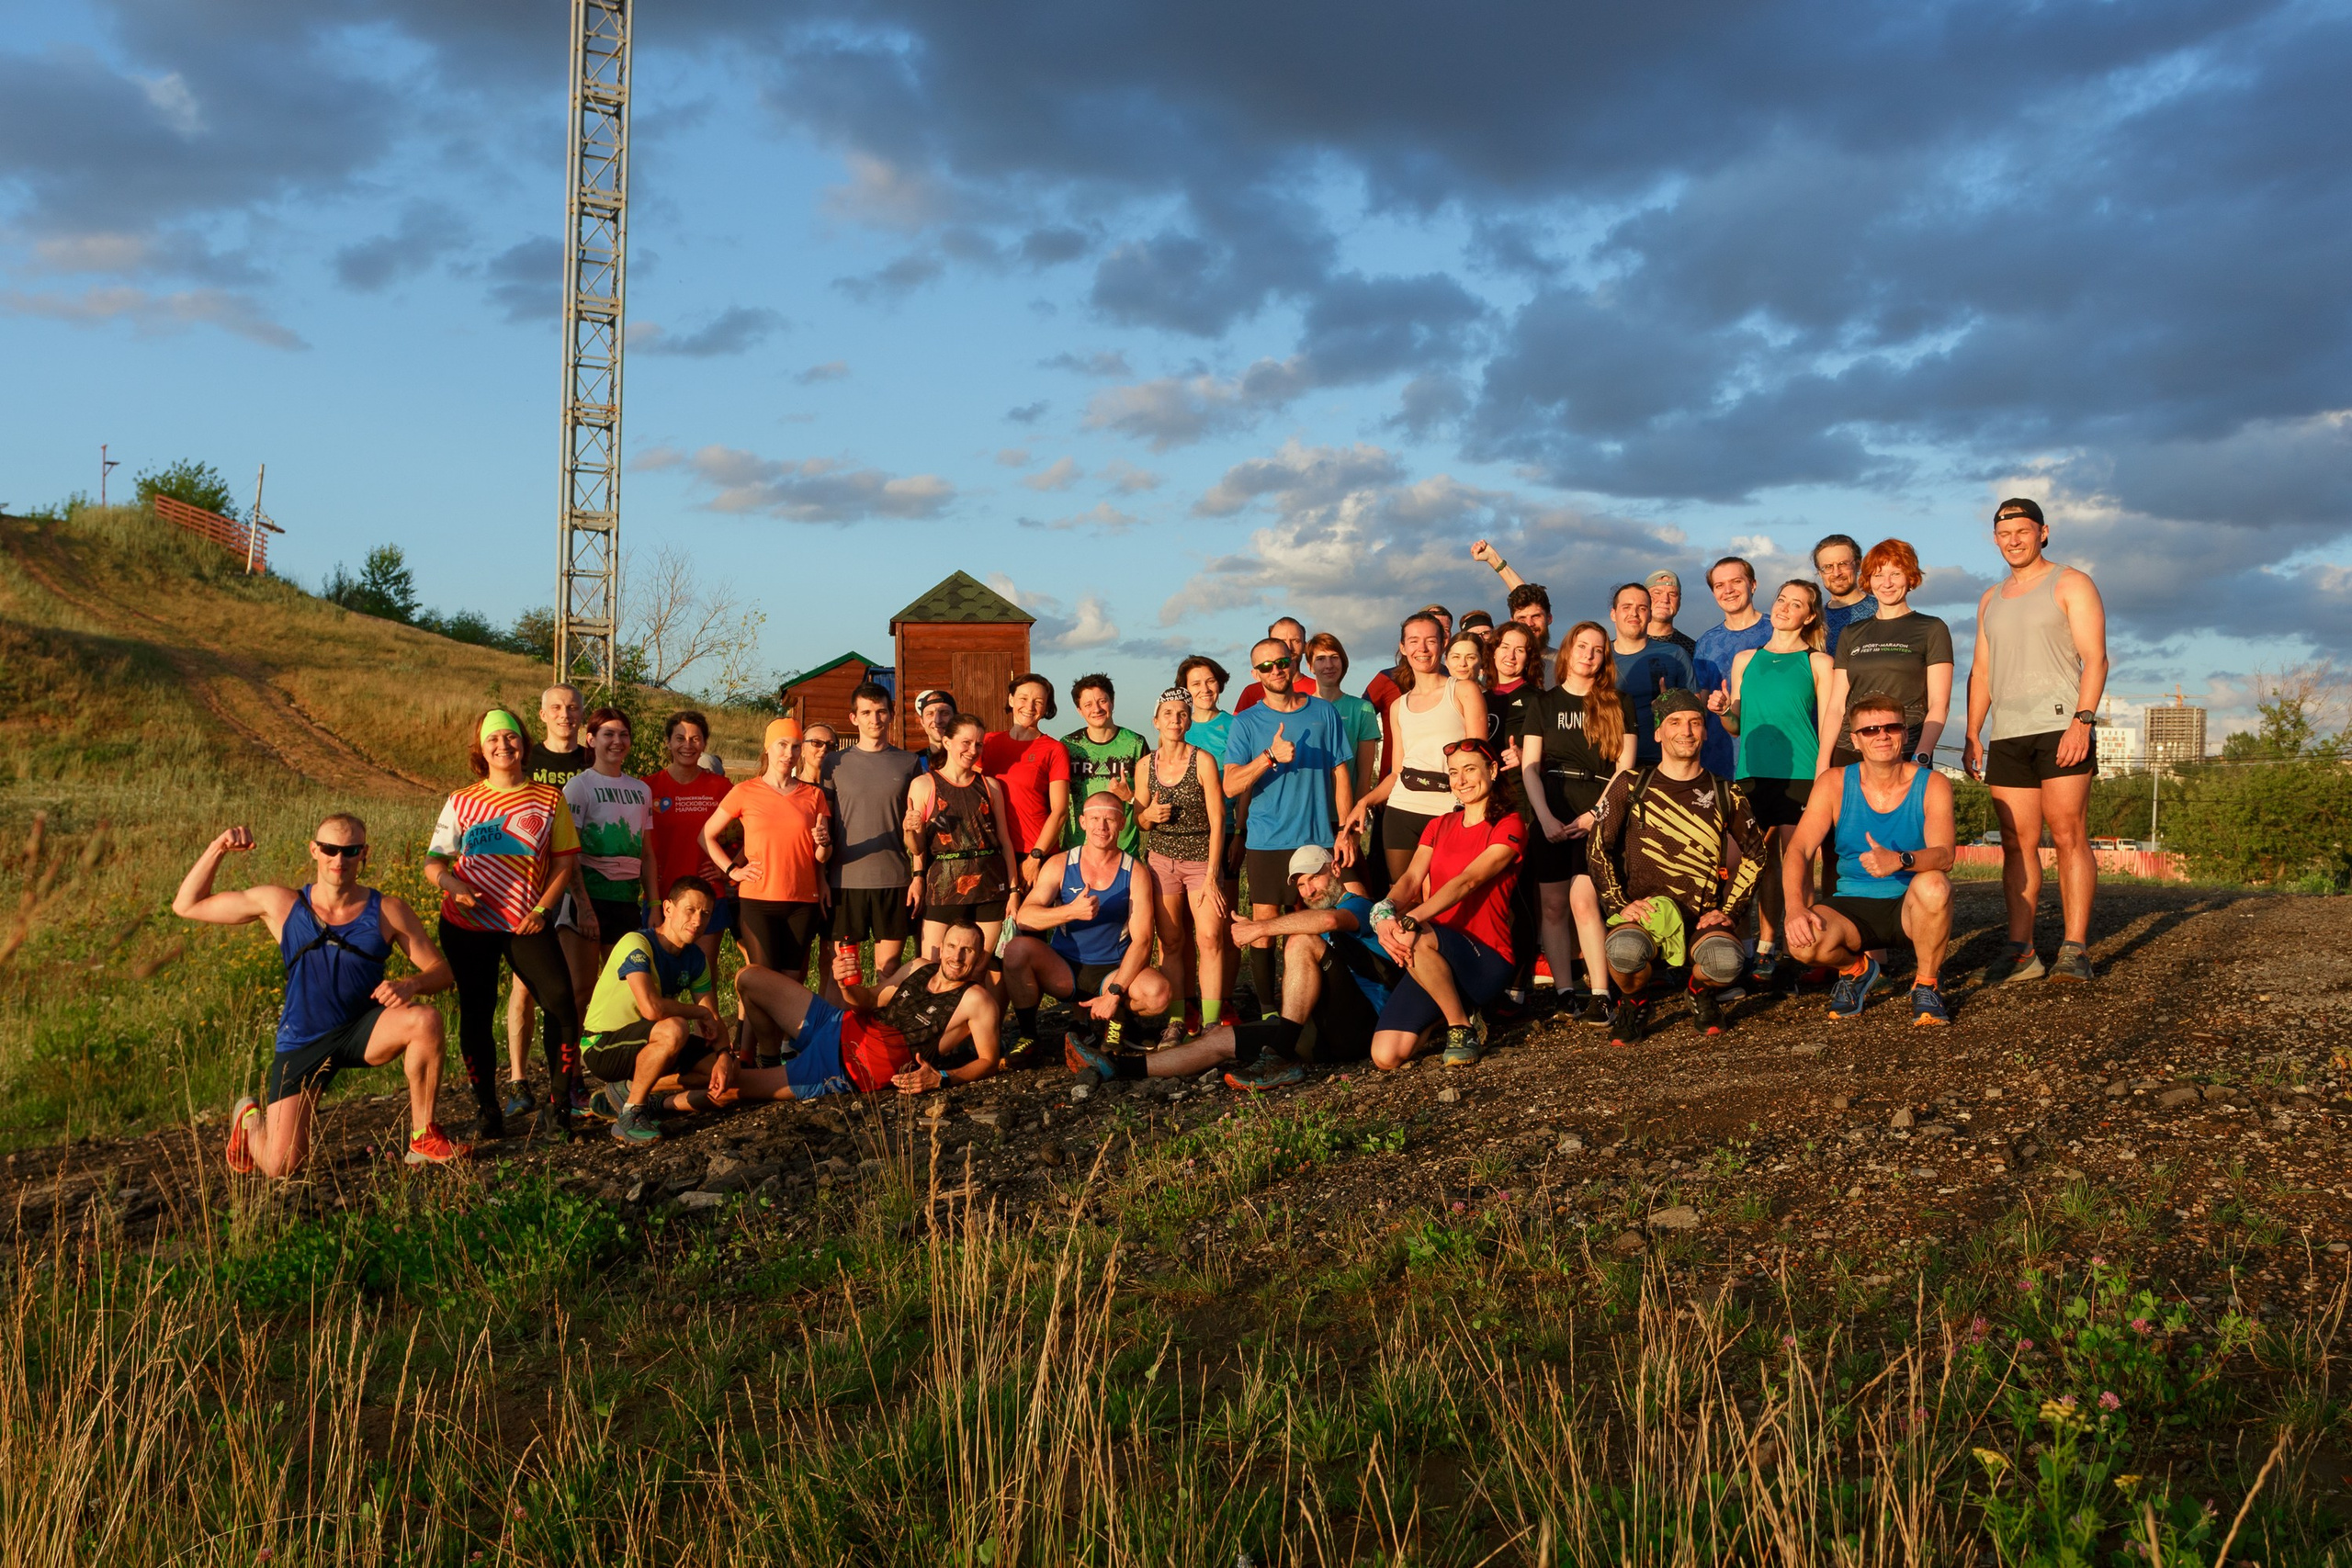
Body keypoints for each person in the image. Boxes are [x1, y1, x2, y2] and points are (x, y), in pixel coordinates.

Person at [174, 818, 466, 1174]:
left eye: (350, 851)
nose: (338, 860)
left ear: (364, 855)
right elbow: (186, 905)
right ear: (314, 850)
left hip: (364, 1029)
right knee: (283, 1165)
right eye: (329, 849)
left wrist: (411, 985)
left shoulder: (388, 911)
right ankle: (249, 1123)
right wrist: (219, 846)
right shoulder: (281, 904)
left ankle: (424, 1137)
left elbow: (443, 972)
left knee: (425, 1020)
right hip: (303, 1041)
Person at [1063, 844, 1401, 1090]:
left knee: (1301, 940)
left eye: (1316, 878)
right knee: (1221, 1038)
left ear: (1336, 871)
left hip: (1364, 1028)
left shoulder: (1359, 905)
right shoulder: (1311, 914)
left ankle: (1279, 1056)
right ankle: (1117, 1067)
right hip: (1318, 1035)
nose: (1309, 889)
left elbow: (1329, 918)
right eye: (1300, 884)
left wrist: (1260, 928)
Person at [1964, 497, 2109, 985]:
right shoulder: (1989, 598)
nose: (2013, 540)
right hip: (2007, 732)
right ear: (1995, 539)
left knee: (2068, 833)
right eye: (2004, 534)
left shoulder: (2071, 583)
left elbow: (2096, 659)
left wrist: (2082, 722)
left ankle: (2075, 947)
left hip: (2061, 727)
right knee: (2014, 842)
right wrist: (1972, 733)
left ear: (2042, 533)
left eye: (2022, 531)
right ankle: (2022, 951)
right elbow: (1981, 670)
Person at [424, 708, 584, 1139]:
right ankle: (487, 1111)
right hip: (467, 923)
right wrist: (452, 884)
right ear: (481, 749)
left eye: (510, 738)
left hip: (526, 922)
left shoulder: (550, 799)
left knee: (561, 1007)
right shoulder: (462, 800)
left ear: (523, 744)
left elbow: (565, 864)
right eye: (493, 739)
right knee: (477, 1014)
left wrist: (543, 911)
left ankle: (558, 1109)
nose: (503, 746)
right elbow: (434, 862)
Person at [1588, 691, 1769, 1045]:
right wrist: (1618, 904)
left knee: (1726, 962)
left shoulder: (1724, 791)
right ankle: (1635, 1001)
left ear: (1705, 732)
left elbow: (1756, 854)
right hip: (1646, 915)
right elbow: (1598, 847)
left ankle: (1699, 992)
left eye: (1695, 723)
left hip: (1702, 916)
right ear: (1658, 733)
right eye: (1674, 723)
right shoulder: (1630, 784)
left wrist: (1730, 912)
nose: (1685, 731)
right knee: (1623, 953)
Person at [1781, 689, 1958, 1023]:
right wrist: (1794, 908)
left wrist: (1900, 860)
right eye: (1870, 730)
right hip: (1852, 905)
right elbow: (1798, 849)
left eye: (1891, 728)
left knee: (1935, 885)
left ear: (1905, 734)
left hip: (1909, 904)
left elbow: (1945, 856)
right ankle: (1857, 970)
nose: (1882, 736)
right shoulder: (1834, 783)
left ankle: (1927, 984)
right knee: (1802, 944)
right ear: (1855, 740)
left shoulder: (1933, 784)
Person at [1364, 739, 1525, 1067]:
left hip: (1485, 955)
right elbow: (1409, 880)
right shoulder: (1438, 825)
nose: (1461, 780)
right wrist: (1383, 912)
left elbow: (1469, 880)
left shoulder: (1509, 824)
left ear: (1492, 770)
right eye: (1454, 773)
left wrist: (1410, 920)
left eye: (1470, 770)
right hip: (1431, 953)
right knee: (1385, 1055)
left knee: (1412, 935)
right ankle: (1458, 1009)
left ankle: (1460, 1028)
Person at [1225, 637, 1355, 1017]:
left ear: (1293, 662)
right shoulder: (1246, 722)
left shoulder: (1323, 712)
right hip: (1267, 839)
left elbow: (1341, 774)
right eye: (1265, 666)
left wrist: (1345, 829)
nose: (1276, 670)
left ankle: (1316, 1005)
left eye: (1281, 662)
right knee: (1264, 923)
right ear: (1255, 674)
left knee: (1315, 922)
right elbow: (1231, 785)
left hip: (1316, 837)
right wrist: (1269, 757)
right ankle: (1269, 1011)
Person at [1713, 581, 1834, 985]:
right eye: (1782, 600)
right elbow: (1735, 726)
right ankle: (1765, 947)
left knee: (1798, 865)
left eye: (1795, 604)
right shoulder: (1746, 659)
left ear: (1809, 616)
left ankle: (1805, 948)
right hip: (1751, 775)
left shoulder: (1819, 663)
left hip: (1801, 773)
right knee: (1753, 864)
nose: (1784, 608)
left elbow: (1830, 722)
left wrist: (1823, 772)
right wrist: (1719, 712)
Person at [735, 920, 1005, 1098]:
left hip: (844, 1067)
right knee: (749, 977)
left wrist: (942, 1077)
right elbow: (868, 1001)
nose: (956, 957)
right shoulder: (921, 966)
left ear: (979, 957)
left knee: (733, 1088)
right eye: (952, 946)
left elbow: (988, 1062)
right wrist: (844, 986)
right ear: (942, 947)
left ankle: (701, 1090)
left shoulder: (977, 1000)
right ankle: (768, 1060)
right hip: (836, 1023)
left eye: (967, 950)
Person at [1521, 621, 1637, 1023]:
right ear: (1568, 651)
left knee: (1584, 900)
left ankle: (1601, 992)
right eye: (1582, 646)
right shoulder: (1543, 702)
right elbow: (1530, 768)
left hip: (1599, 808)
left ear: (1605, 657)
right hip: (1551, 808)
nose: (1589, 654)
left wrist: (1596, 815)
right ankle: (1564, 989)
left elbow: (1625, 769)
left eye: (1598, 649)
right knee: (1553, 907)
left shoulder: (1618, 702)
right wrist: (1546, 818)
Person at [1001, 791, 1175, 1055]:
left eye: (1109, 819)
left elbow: (1143, 941)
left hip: (1112, 971)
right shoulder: (1060, 864)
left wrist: (1115, 992)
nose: (1101, 826)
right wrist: (1071, 912)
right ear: (1082, 822)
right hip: (1065, 969)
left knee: (1159, 993)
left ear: (1122, 824)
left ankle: (1118, 1021)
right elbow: (1024, 917)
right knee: (1015, 950)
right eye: (1094, 818)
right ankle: (1028, 1035)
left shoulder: (1135, 872)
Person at [580, 874, 731, 1145]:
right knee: (675, 1027)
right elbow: (651, 1009)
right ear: (668, 908)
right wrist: (698, 1014)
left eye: (705, 913)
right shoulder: (637, 944)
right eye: (691, 910)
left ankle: (640, 1096)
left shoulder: (695, 958)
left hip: (650, 1039)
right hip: (602, 1044)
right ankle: (631, 1115)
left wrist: (723, 1055)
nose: (698, 921)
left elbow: (713, 1016)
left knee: (724, 1072)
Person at [504, 682, 592, 1121]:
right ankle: (519, 1080)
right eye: (556, 707)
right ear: (542, 715)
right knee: (524, 985)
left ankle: (569, 1078)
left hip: (579, 883)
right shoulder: (527, 760)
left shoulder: (591, 759)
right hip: (528, 888)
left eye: (573, 707)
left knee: (573, 988)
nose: (565, 714)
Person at [701, 716, 833, 1004]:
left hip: (802, 901)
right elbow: (706, 836)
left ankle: (784, 1045)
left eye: (795, 746)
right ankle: (754, 1048)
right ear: (768, 748)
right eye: (782, 745)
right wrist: (732, 870)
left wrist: (824, 843)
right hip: (759, 899)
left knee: (792, 980)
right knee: (762, 979)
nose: (789, 753)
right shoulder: (745, 791)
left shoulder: (814, 795)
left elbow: (821, 856)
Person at [1348, 612, 1486, 886]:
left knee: (1445, 898)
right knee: (1402, 898)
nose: (1421, 649)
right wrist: (1363, 802)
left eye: (1430, 641)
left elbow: (1479, 761)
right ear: (1402, 647)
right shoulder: (1399, 706)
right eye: (1413, 641)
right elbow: (1397, 772)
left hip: (1450, 808)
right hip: (1401, 810)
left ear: (1443, 644)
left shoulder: (1463, 691)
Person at [1135, 687, 1228, 1044]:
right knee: (1172, 941)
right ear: (1156, 720)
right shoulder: (1145, 765)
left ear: (1189, 721)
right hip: (1161, 862)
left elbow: (1218, 820)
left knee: (1209, 938)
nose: (1175, 720)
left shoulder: (1202, 760)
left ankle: (1211, 1022)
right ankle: (1175, 1021)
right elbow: (1140, 819)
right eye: (1168, 714)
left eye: (1182, 714)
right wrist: (1148, 815)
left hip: (1201, 859)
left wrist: (1212, 876)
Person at [1818, 539, 1953, 774]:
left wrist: (1922, 756)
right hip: (1850, 751)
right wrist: (1822, 763)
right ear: (1869, 580)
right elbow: (1836, 707)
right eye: (1879, 575)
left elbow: (1939, 704)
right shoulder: (1851, 633)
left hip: (1905, 750)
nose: (1887, 583)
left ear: (1910, 578)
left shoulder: (1931, 628)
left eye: (1896, 574)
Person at [824, 682, 924, 993]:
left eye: (881, 712)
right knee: (843, 973)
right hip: (844, 881)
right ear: (853, 718)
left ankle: (882, 1036)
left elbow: (917, 826)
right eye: (866, 712)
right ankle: (839, 1037)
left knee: (889, 969)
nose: (874, 719)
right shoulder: (833, 763)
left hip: (893, 879)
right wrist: (820, 878)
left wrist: (918, 875)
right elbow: (822, 827)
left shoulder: (909, 763)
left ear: (892, 714)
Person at [562, 706, 658, 1019]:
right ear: (590, 740)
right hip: (587, 899)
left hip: (626, 901)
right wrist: (584, 908)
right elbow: (569, 852)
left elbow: (647, 854)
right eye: (608, 734)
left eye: (623, 734)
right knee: (581, 990)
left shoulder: (642, 790)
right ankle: (569, 1064)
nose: (617, 741)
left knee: (626, 990)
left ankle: (612, 1060)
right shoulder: (579, 786)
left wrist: (654, 904)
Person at [904, 713, 1022, 961]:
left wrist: (1013, 891)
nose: (973, 750)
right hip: (943, 885)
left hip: (991, 886)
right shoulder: (924, 784)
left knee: (981, 966)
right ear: (947, 742)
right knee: (933, 965)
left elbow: (1004, 840)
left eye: (978, 744)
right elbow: (916, 848)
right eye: (966, 743)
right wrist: (909, 832)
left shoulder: (990, 785)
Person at [646, 710, 735, 981]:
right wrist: (652, 900)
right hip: (664, 897)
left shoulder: (721, 787)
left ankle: (707, 1023)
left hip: (710, 896)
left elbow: (745, 836)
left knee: (704, 971)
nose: (688, 745)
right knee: (658, 973)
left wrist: (727, 870)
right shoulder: (648, 787)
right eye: (680, 738)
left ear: (705, 744)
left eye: (696, 739)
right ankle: (664, 1024)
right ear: (669, 743)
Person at [981, 672, 1072, 892]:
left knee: (1031, 923)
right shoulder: (988, 742)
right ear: (1011, 700)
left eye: (1038, 701)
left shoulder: (1054, 749)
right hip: (994, 850)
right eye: (1023, 698)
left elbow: (1060, 812)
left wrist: (1036, 856)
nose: (1029, 706)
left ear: (1046, 708)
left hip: (1034, 852)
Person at [1692, 557, 1771, 780]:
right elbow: (1702, 703)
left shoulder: (1779, 631)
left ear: (1753, 585)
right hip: (1721, 758)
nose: (1728, 590)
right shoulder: (1707, 643)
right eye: (1719, 585)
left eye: (1736, 581)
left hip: (1773, 751)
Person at [1610, 582, 1696, 767]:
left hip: (1660, 763)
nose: (1634, 613)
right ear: (1613, 614)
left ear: (1649, 615)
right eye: (1627, 607)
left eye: (1642, 608)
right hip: (1607, 761)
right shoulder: (1598, 656)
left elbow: (1695, 712)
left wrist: (1669, 705)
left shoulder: (1675, 655)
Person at [1061, 673, 1149, 852]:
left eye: (1102, 701)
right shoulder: (1068, 745)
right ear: (1079, 710)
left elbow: (1150, 801)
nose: (1096, 709)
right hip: (1078, 851)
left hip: (1123, 850)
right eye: (1088, 705)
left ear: (1112, 701)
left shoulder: (1136, 744)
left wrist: (1130, 796)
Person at [1305, 632, 1383, 799]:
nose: (1329, 665)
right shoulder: (1300, 708)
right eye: (1320, 659)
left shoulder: (1362, 709)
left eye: (1334, 657)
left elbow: (1364, 775)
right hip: (1309, 812)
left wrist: (1357, 811)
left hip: (1345, 813)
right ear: (1310, 666)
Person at [1813, 534, 1882, 654]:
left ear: (1858, 565)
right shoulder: (1815, 620)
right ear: (1820, 573)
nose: (1836, 573)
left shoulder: (1881, 611)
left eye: (1843, 564)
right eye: (1828, 567)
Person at [1235, 617, 1308, 711]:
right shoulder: (1251, 693)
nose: (1289, 647)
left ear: (1305, 646)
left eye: (1295, 641)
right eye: (1281, 641)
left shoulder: (1318, 690)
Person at [1646, 570, 1697, 659]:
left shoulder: (1693, 650)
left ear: (1679, 602)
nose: (1665, 599)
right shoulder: (1623, 647)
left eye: (1672, 594)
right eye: (1657, 593)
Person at [913, 687, 959, 772]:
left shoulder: (966, 758)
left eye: (945, 713)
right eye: (930, 714)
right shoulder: (914, 763)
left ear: (955, 718)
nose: (937, 720)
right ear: (922, 721)